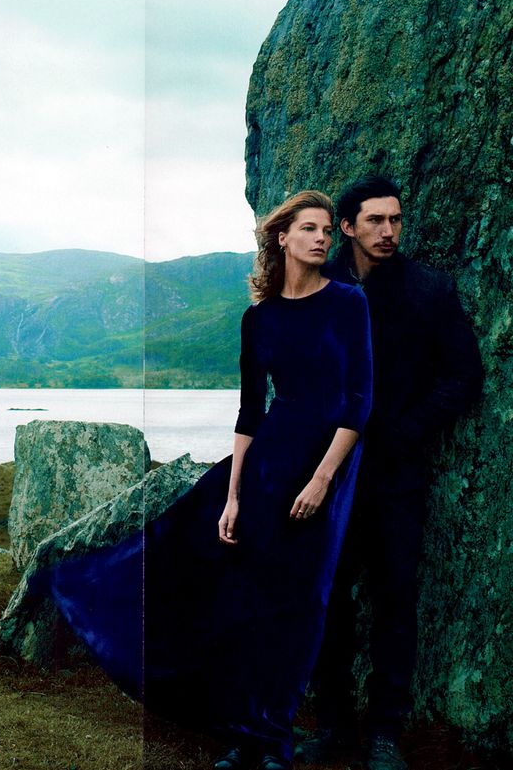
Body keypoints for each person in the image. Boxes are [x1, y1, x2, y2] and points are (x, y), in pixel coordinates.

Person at [37, 190, 373, 770]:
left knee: (301, 603)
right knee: (242, 597)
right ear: (282, 238)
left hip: (328, 466)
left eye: (327, 230)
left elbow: (360, 402)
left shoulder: (348, 303)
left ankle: (274, 739)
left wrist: (323, 479)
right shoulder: (259, 318)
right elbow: (249, 413)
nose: (322, 238)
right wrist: (233, 496)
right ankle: (245, 734)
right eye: (309, 228)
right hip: (271, 460)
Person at [297, 175, 484, 770]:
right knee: (326, 600)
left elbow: (465, 375)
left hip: (396, 475)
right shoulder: (320, 286)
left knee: (395, 602)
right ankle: (332, 725)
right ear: (347, 227)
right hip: (327, 474)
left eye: (395, 219)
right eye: (375, 220)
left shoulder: (429, 289)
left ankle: (384, 735)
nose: (388, 231)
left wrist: (406, 432)